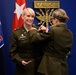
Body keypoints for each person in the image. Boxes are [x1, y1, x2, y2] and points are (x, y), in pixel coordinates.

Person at [28, 8, 74, 75]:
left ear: (56, 20)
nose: (52, 21)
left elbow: (35, 38)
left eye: (52, 19)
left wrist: (32, 30)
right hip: (63, 67)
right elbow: (56, 36)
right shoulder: (70, 33)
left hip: (50, 67)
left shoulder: (52, 30)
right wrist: (47, 30)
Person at [9, 7, 43, 75]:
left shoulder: (39, 31)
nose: (30, 19)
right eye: (28, 16)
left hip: (37, 68)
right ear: (22, 17)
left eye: (32, 16)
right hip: (23, 69)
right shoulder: (16, 33)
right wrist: (21, 61)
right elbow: (12, 52)